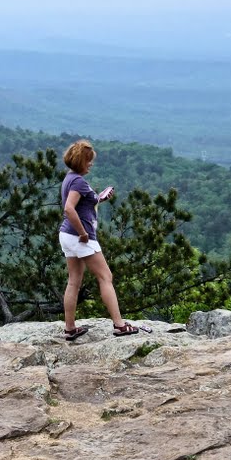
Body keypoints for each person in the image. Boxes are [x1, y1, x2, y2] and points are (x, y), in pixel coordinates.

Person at [58, 140, 138, 340]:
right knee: (105, 277)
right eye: (88, 161)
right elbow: (69, 208)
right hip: (80, 237)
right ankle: (120, 325)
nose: (91, 164)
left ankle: (70, 328)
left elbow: (80, 204)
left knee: (74, 281)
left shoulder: (70, 178)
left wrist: (98, 199)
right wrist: (83, 232)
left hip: (66, 235)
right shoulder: (78, 182)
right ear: (80, 161)